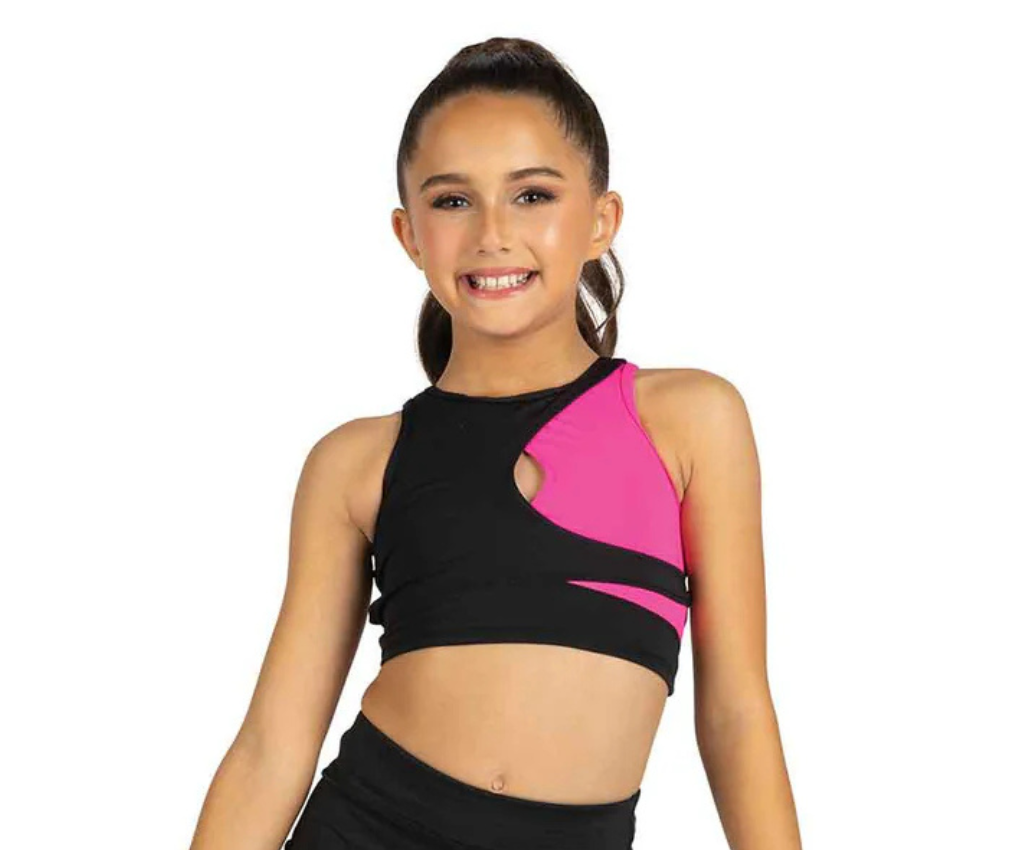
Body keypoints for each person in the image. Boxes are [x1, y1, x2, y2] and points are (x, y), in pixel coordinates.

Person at [188, 36, 801, 850]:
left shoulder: (689, 420)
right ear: (410, 235)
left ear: (602, 221)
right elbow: (270, 749)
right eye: (452, 202)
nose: (492, 234)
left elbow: (735, 714)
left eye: (532, 195)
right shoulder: (358, 464)